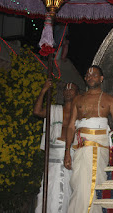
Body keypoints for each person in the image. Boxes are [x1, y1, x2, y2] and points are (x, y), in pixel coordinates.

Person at [64, 65, 113, 213]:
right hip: (79, 148)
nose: (90, 77)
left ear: (101, 79)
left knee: (94, 185)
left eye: (94, 75)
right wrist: (67, 152)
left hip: (99, 147)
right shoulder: (78, 100)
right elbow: (71, 126)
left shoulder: (109, 99)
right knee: (79, 186)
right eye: (88, 75)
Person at [33, 79, 79, 213]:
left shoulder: (81, 113)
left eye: (71, 89)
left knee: (68, 190)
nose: (68, 91)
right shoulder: (54, 109)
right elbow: (37, 111)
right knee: (50, 188)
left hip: (71, 155)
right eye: (66, 89)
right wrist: (44, 90)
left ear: (77, 93)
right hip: (54, 155)